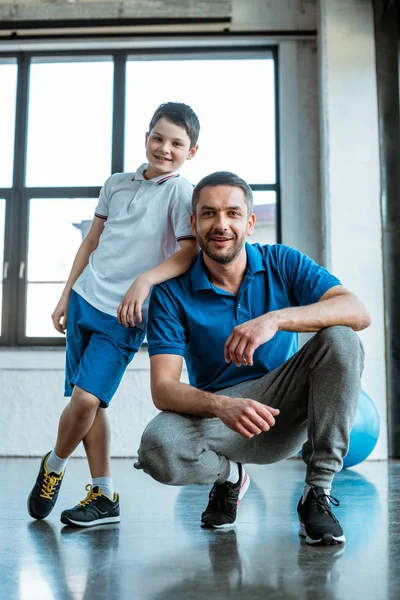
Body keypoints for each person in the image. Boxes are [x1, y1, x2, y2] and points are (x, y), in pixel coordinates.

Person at [135, 171, 371, 546]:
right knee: (156, 448)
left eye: (232, 213)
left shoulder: (282, 262)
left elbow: (357, 311)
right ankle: (230, 478)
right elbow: (163, 389)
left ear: (250, 223)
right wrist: (221, 405)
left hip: (284, 410)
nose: (221, 224)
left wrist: (275, 320)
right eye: (209, 214)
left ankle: (318, 493)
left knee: (341, 338)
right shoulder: (171, 293)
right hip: (221, 423)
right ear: (194, 223)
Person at [28, 102, 200, 528]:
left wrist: (144, 282)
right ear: (146, 138)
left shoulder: (181, 193)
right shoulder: (116, 183)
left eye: (176, 143)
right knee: (92, 404)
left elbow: (188, 251)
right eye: (158, 138)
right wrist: (66, 294)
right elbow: (92, 241)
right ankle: (104, 493)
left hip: (124, 315)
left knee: (86, 399)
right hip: (87, 298)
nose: (164, 148)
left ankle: (54, 464)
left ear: (191, 152)